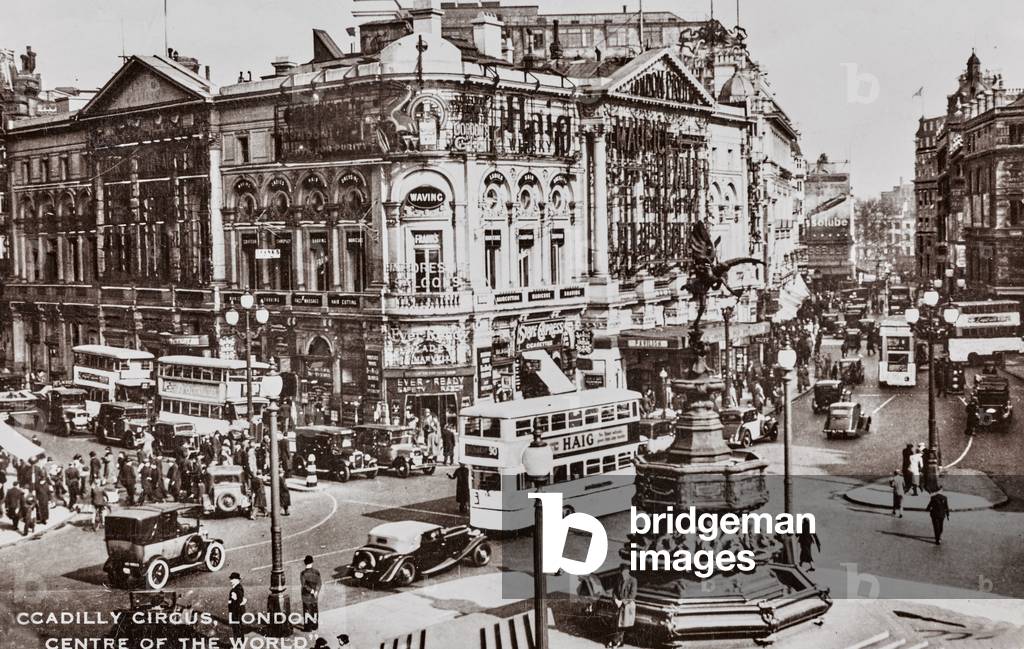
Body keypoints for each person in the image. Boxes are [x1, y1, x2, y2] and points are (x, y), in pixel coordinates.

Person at [607, 564, 637, 648]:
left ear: (628, 571)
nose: (624, 573)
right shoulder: (619, 580)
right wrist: (616, 600)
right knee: (617, 624)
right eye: (622, 571)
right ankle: (619, 641)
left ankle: (615, 642)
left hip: (627, 605)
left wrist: (622, 602)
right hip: (618, 604)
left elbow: (632, 595)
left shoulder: (633, 580)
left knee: (621, 624)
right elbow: (614, 592)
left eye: (625, 571)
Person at [300, 555, 322, 632]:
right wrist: (316, 591)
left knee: (307, 610)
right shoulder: (316, 572)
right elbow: (319, 583)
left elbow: (304, 585)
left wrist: (311, 591)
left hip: (306, 595)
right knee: (315, 609)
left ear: (305, 563)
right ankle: (315, 625)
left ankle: (308, 627)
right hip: (315, 595)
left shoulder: (303, 573)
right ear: (312, 562)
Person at [228, 572, 247, 639]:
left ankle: (239, 644)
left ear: (237, 580)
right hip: (237, 611)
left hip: (236, 611)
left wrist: (236, 600)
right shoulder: (237, 588)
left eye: (232, 579)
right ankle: (240, 643)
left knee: (237, 628)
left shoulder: (237, 589)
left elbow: (239, 601)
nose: (231, 581)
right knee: (238, 628)